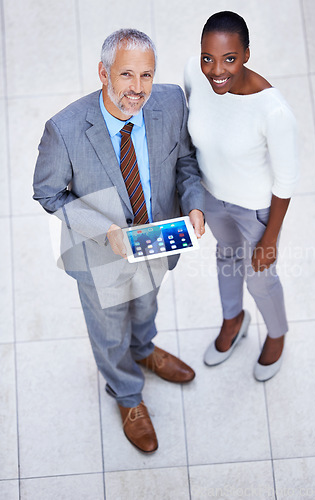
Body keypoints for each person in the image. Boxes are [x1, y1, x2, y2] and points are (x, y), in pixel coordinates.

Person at [33, 29, 205, 453]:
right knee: (110, 332)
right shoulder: (65, 129)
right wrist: (104, 231)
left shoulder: (169, 102)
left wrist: (195, 204)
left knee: (147, 303)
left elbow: (185, 161)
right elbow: (48, 193)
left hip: (159, 239)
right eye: (126, 74)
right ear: (103, 72)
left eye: (146, 75)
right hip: (100, 253)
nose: (138, 88)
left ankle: (145, 349)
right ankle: (127, 393)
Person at [184, 11, 298, 381]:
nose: (216, 70)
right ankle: (233, 319)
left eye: (229, 58)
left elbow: (286, 181)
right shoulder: (193, 74)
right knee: (226, 259)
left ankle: (277, 335)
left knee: (260, 277)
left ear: (246, 54)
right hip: (212, 197)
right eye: (208, 58)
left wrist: (270, 239)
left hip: (256, 209)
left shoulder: (273, 110)